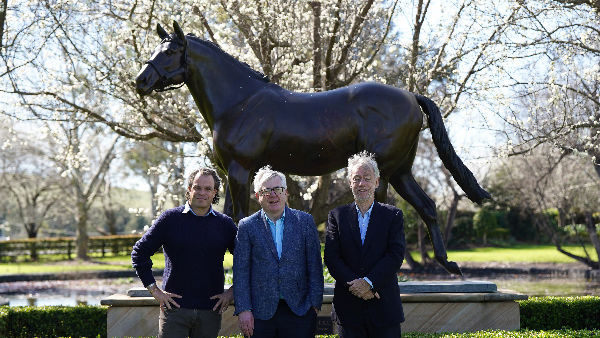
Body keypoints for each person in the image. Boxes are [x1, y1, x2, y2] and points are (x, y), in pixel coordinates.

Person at [131, 167, 237, 338]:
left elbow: (246, 260)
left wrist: (232, 291)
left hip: (210, 312)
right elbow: (139, 252)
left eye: (208, 188)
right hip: (174, 311)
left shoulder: (225, 225)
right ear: (189, 189)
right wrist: (154, 290)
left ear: (214, 192)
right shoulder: (169, 219)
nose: (202, 192)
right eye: (197, 187)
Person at [233, 165, 324, 338]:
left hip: (300, 311)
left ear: (286, 192)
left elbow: (314, 266)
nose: (273, 194)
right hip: (259, 315)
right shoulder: (247, 226)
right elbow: (241, 271)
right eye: (266, 190)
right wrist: (244, 309)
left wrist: (314, 305)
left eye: (278, 189)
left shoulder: (304, 222)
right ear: (258, 196)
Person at [324, 151, 406, 338]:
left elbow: (395, 255)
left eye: (367, 178)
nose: (362, 184)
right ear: (350, 182)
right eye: (357, 178)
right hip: (349, 311)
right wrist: (358, 287)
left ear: (376, 182)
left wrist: (369, 283)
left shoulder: (392, 216)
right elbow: (331, 256)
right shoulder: (336, 216)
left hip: (384, 308)